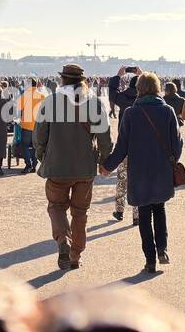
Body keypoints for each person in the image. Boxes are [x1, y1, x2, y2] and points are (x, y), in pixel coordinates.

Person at [101, 71, 182, 274]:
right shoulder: (168, 111)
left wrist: (107, 166)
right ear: (157, 88)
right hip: (161, 171)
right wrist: (171, 160)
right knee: (160, 209)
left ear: (139, 89)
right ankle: (162, 248)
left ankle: (150, 260)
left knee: (144, 216)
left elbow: (121, 147)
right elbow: (178, 143)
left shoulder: (130, 113)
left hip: (139, 173)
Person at [33, 63, 112, 270]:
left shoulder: (50, 102)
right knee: (80, 212)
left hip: (57, 165)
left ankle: (63, 242)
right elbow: (104, 137)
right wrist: (104, 160)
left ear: (62, 80)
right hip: (85, 167)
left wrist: (42, 155)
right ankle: (75, 256)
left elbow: (39, 134)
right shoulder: (94, 103)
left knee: (56, 207)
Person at [105, 66, 140, 224]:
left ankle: (119, 211)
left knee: (122, 180)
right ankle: (137, 214)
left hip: (125, 144)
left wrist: (118, 76)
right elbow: (157, 89)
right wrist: (143, 74)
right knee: (138, 181)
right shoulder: (147, 100)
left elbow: (111, 92)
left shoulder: (124, 97)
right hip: (142, 146)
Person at [17, 77, 46, 174]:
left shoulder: (25, 95)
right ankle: (34, 164)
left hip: (26, 124)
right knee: (35, 146)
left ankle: (28, 164)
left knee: (24, 145)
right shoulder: (41, 96)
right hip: (37, 125)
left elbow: (18, 107)